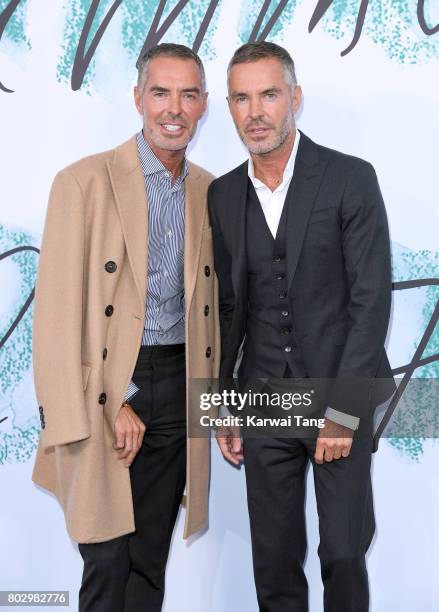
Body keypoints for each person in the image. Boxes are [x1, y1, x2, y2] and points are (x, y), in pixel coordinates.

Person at [31, 43, 219, 611]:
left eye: (188, 95)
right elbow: (56, 319)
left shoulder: (209, 190)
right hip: (110, 381)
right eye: (160, 92)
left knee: (148, 557)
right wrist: (113, 401)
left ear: (204, 105)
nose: (174, 109)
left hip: (178, 381)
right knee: (107, 557)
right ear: (138, 97)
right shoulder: (83, 182)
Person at [208, 41, 395, 612]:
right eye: (242, 98)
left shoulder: (349, 178)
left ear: (295, 98)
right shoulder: (222, 194)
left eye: (268, 94)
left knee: (342, 552)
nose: (255, 111)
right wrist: (221, 410)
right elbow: (230, 309)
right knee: (274, 560)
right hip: (264, 399)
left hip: (337, 394)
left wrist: (341, 409)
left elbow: (371, 300)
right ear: (230, 106)